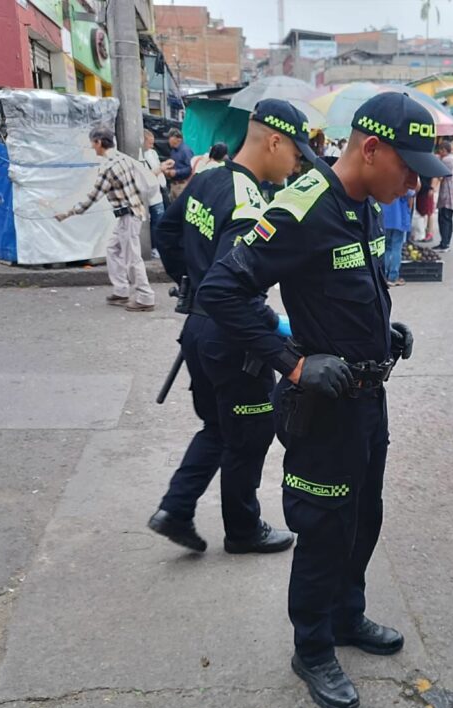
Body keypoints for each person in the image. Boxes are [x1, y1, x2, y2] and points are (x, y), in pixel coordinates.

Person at [197, 92, 448, 708]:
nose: (415, 183)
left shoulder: (363, 206)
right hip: (322, 409)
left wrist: (381, 333)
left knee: (364, 517)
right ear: (371, 149)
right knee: (322, 530)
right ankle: (311, 647)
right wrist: (295, 361)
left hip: (366, 398)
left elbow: (342, 290)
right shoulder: (302, 207)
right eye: (409, 168)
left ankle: (345, 617)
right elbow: (222, 289)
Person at [147, 99, 313, 556]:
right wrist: (276, 332)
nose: (298, 163)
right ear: (274, 141)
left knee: (218, 428)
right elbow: (232, 288)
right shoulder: (250, 200)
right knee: (251, 434)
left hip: (199, 333)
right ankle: (243, 530)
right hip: (230, 338)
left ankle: (175, 509)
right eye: (296, 152)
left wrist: (189, 282)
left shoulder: (205, 180)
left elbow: (166, 233)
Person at [55, 126, 155, 312]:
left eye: (93, 143)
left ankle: (145, 297)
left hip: (128, 216)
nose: (93, 148)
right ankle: (121, 290)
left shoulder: (108, 167)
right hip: (132, 212)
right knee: (113, 248)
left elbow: (92, 197)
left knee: (132, 258)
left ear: (99, 142)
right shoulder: (121, 158)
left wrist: (67, 213)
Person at [141, 129, 170, 258]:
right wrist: (160, 169)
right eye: (150, 143)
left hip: (158, 191)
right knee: (155, 222)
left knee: (160, 220)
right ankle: (154, 247)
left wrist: (163, 167)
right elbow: (146, 175)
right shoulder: (139, 156)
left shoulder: (152, 153)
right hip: (148, 194)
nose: (152, 146)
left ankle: (158, 246)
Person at [381, 186, 415, 286]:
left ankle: (383, 275)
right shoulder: (403, 181)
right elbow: (410, 197)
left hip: (385, 218)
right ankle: (393, 277)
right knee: (396, 248)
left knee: (385, 247)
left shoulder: (383, 179)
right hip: (399, 219)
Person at [436, 141, 453, 253]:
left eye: (440, 150)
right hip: (452, 193)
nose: (439, 153)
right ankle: (445, 243)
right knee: (448, 220)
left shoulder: (446, 160)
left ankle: (444, 243)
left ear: (444, 150)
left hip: (447, 193)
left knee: (444, 219)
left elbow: (439, 174)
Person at [164, 129, 194, 202]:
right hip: (173, 185)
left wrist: (176, 172)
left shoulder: (186, 151)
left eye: (169, 138)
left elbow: (191, 168)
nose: (168, 140)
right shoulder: (173, 151)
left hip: (182, 186)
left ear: (177, 139)